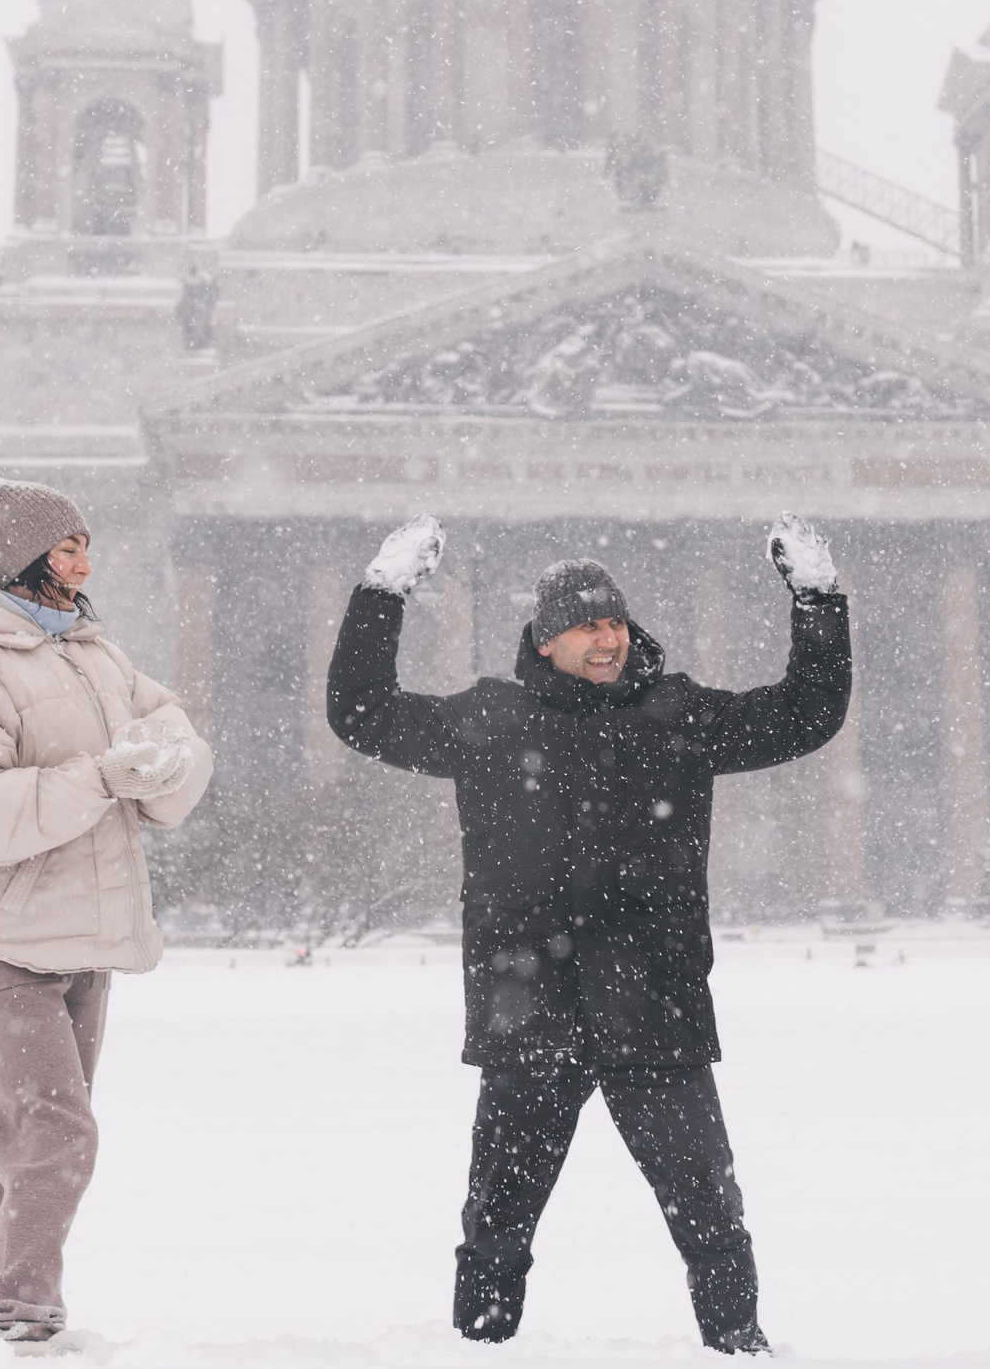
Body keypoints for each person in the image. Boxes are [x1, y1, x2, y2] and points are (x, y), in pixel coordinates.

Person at [326, 515, 853, 1354]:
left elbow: (805, 714)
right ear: (545, 638)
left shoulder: (676, 714)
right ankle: (478, 1351)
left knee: (711, 1219)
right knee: (496, 1226)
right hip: (528, 1008)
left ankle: (739, 1348)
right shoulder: (491, 720)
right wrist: (380, 595)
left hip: (656, 1010)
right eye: (586, 625)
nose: (608, 639)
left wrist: (818, 600)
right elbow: (361, 713)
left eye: (615, 621)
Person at [0, 474, 215, 1352]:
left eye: (85, 546)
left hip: (83, 937)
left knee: (24, 1143)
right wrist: (101, 776)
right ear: (20, 555)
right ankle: (22, 1319)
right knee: (57, 1136)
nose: (83, 564)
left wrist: (162, 765)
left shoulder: (93, 655)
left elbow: (174, 733)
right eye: (67, 548)